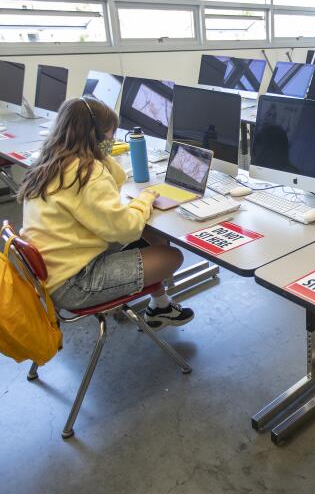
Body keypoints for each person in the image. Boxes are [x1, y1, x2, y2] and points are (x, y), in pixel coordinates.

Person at [19, 96, 193, 328]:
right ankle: (158, 305)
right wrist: (146, 198)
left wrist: (100, 156)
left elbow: (114, 187)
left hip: (54, 269)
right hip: (74, 284)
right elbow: (128, 229)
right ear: (96, 136)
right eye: (110, 137)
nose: (111, 142)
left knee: (153, 237)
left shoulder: (52, 159)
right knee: (171, 256)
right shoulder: (86, 172)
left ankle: (161, 306)